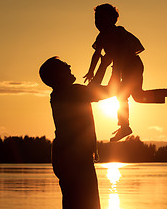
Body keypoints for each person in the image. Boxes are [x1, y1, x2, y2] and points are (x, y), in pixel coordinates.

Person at [84, 3, 167, 142]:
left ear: (112, 19)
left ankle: (124, 126)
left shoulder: (118, 33)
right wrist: (90, 71)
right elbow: (97, 55)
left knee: (121, 94)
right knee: (137, 96)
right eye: (96, 19)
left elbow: (121, 55)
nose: (98, 22)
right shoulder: (101, 37)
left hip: (132, 66)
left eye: (101, 18)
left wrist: (115, 76)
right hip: (121, 68)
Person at [39, 55, 112, 209]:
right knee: (86, 203)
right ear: (58, 74)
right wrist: (106, 65)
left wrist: (105, 66)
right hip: (74, 158)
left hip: (68, 157)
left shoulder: (61, 94)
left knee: (75, 202)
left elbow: (95, 91)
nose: (70, 66)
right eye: (65, 65)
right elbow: (98, 92)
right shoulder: (70, 92)